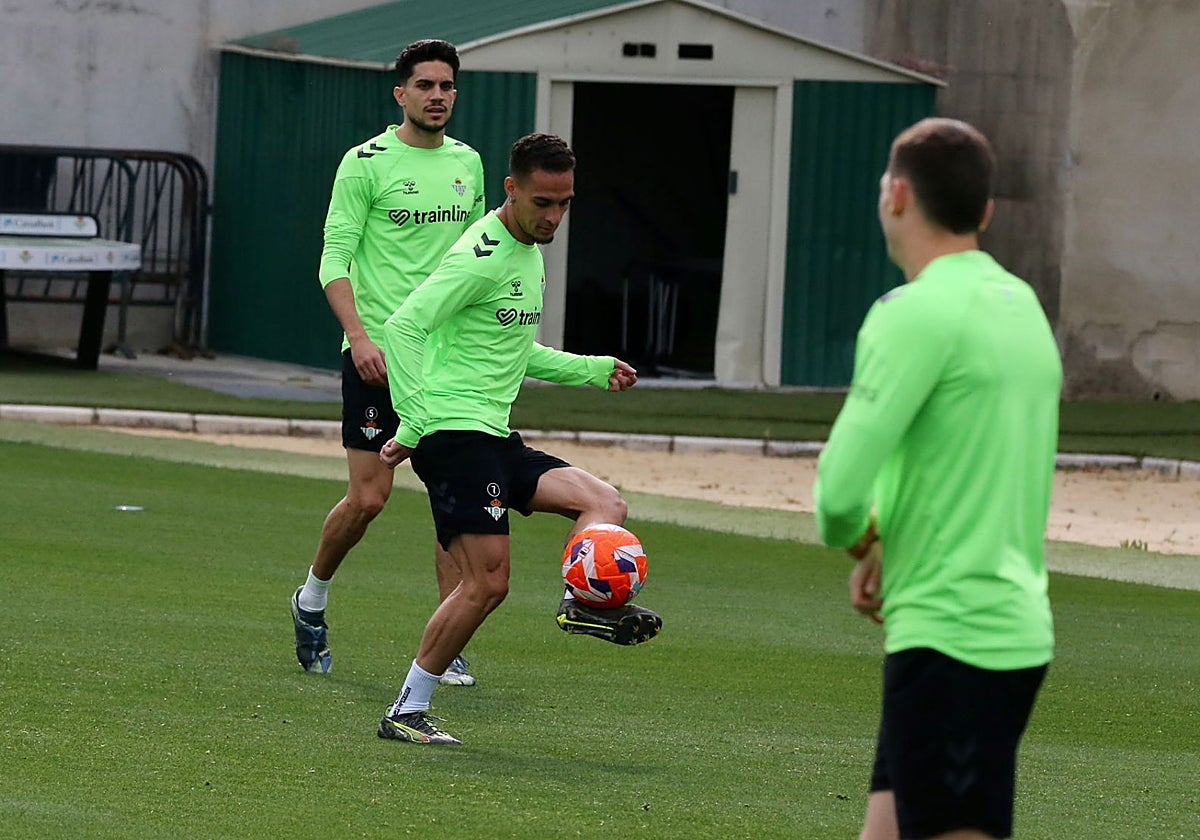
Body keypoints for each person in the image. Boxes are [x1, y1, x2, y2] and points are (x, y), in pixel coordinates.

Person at [812, 118, 1060, 840]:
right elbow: (969, 460)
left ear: (895, 195)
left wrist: (864, 541)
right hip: (1004, 626)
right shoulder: (1022, 306)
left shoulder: (911, 314)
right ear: (985, 211)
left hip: (955, 637)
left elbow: (835, 501)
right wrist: (890, 542)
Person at [374, 133, 663, 746]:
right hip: (453, 434)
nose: (553, 217)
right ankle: (407, 709)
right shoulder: (480, 255)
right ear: (511, 189)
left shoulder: (527, 251)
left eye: (564, 203)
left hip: (495, 434)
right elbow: (402, 329)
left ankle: (582, 605)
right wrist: (416, 422)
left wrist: (589, 368)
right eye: (542, 202)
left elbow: (510, 347)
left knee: (605, 506)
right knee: (487, 584)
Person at [290, 39, 486, 686]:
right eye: (424, 85)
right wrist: (360, 337)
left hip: (447, 359)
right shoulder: (364, 163)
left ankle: (448, 636)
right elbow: (333, 261)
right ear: (399, 94)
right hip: (376, 355)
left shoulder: (469, 164)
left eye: (447, 85)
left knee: (452, 494)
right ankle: (311, 598)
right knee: (370, 499)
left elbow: (472, 265)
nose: (437, 95)